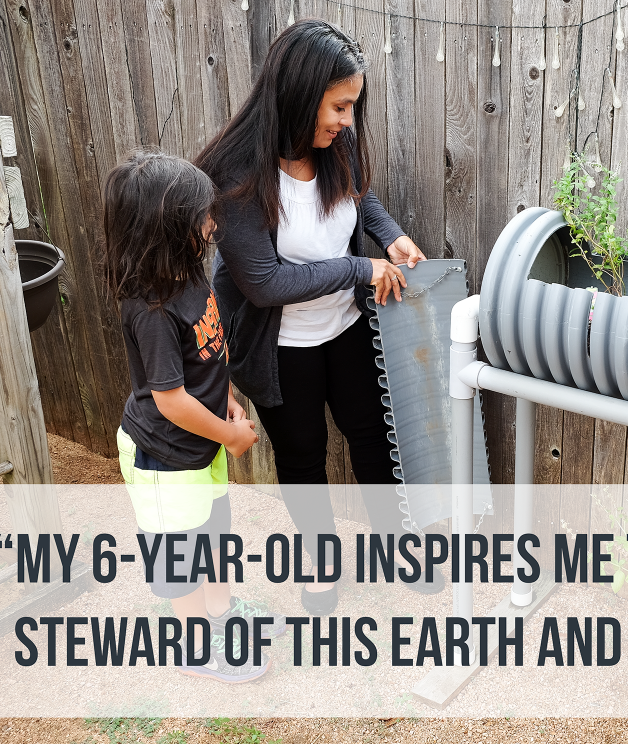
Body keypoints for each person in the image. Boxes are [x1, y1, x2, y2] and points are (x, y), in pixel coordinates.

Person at [194, 18, 443, 616]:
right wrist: (361, 270)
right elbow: (264, 283)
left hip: (346, 328)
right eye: (339, 106)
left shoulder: (338, 146)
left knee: (375, 440)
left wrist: (390, 237)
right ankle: (320, 565)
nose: (347, 121)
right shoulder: (236, 176)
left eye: (352, 106)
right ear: (302, 96)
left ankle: (397, 548)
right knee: (303, 458)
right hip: (281, 348)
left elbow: (361, 198)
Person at [102, 150, 285, 683]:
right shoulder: (152, 308)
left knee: (214, 533)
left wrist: (226, 396)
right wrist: (229, 434)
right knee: (180, 555)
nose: (213, 223)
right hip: (165, 453)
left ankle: (223, 616)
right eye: (203, 215)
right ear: (167, 226)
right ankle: (194, 647)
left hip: (200, 444)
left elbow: (208, 352)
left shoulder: (189, 276)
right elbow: (170, 399)